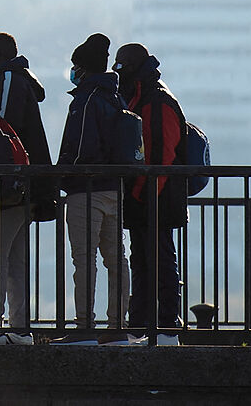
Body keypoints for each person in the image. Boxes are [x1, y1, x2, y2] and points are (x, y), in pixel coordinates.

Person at [0, 32, 54, 345]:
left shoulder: (7, 78)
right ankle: (20, 328)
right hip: (28, 186)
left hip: (11, 186)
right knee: (16, 258)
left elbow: (2, 130)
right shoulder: (19, 78)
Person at [55, 33, 134, 345]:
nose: (73, 72)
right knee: (117, 260)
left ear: (83, 68)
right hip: (115, 190)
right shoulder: (117, 98)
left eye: (75, 66)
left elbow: (80, 150)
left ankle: (84, 328)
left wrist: (60, 176)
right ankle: (117, 327)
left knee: (84, 259)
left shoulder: (86, 100)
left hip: (85, 190)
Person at [114, 43, 187, 345]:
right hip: (150, 198)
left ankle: (168, 328)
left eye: (121, 65)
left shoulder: (155, 101)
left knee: (159, 263)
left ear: (131, 67)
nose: (117, 71)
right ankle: (142, 327)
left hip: (156, 199)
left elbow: (159, 157)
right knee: (144, 264)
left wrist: (143, 196)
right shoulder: (145, 96)